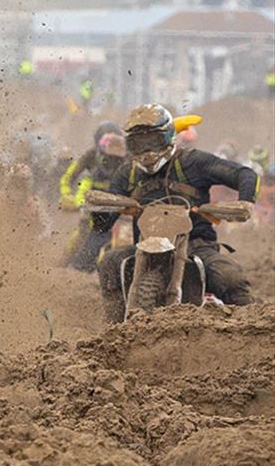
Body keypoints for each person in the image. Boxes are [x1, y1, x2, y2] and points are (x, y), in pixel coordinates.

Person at [95, 104, 258, 322]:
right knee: (110, 262)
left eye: (152, 142)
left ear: (169, 136)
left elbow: (245, 174)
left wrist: (245, 202)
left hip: (196, 244)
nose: (147, 152)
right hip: (145, 245)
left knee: (229, 277)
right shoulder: (128, 173)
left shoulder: (192, 162)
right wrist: (104, 210)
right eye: (138, 144)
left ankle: (254, 330)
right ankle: (112, 329)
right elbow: (101, 225)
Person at [58, 121, 126, 271]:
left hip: (120, 203)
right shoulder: (90, 155)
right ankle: (63, 263)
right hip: (92, 200)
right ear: (98, 144)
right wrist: (68, 196)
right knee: (83, 232)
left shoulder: (128, 159)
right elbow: (68, 177)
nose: (113, 160)